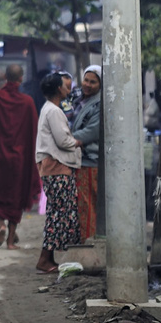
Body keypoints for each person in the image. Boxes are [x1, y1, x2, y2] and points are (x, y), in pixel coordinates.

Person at [0, 65, 41, 250]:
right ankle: (10, 242)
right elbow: (33, 132)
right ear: (20, 79)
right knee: (15, 198)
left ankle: (0, 224)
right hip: (19, 159)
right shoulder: (27, 102)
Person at [35, 72, 83, 274]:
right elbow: (64, 141)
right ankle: (45, 258)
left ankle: (49, 257)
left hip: (53, 165)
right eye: (64, 86)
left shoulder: (49, 109)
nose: (68, 89)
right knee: (58, 212)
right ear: (58, 89)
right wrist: (78, 142)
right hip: (57, 166)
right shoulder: (54, 111)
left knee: (57, 211)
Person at [70, 65, 101, 243]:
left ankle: (88, 244)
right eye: (86, 80)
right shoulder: (77, 98)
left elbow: (92, 131)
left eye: (93, 82)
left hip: (90, 161)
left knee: (87, 205)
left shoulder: (99, 103)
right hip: (77, 160)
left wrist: (66, 140)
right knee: (80, 205)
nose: (88, 85)